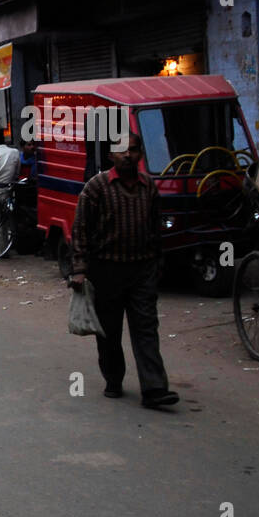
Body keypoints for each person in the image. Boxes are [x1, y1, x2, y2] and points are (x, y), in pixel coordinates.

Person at [69, 134, 178, 409]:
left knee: (146, 329)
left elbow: (155, 229)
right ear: (111, 156)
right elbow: (80, 230)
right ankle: (113, 379)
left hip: (142, 269)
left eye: (132, 150)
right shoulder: (96, 187)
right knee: (109, 332)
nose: (127, 155)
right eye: (121, 151)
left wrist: (158, 265)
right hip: (107, 270)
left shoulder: (149, 188)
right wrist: (80, 270)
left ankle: (154, 389)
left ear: (140, 154)